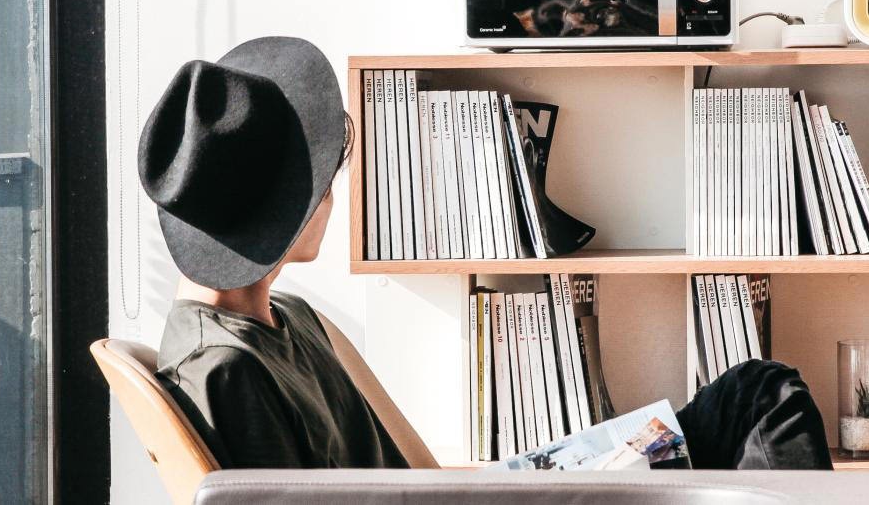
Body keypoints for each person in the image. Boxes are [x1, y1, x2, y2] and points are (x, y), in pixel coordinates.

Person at [138, 36, 832, 470]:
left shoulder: (288, 317)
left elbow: (423, 472)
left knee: (760, 388)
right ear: (286, 212)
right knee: (773, 404)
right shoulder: (225, 372)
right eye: (323, 176)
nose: (334, 190)